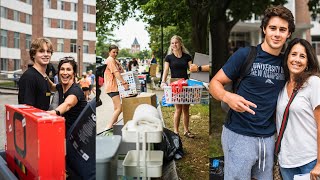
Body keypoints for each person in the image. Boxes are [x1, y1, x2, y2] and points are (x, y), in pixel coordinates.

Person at [209, 5, 295, 179]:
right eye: (272, 28)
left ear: (289, 34)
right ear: (264, 29)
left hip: (268, 138)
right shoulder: (245, 55)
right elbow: (214, 83)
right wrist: (227, 96)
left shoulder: (288, 64)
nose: (277, 34)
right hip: (239, 134)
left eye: (282, 29)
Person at [275, 38, 320, 180]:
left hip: (309, 161)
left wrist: (319, 164)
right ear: (287, 57)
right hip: (286, 162)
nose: (297, 60)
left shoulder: (313, 83)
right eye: (294, 54)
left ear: (308, 62)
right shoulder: (282, 86)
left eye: (302, 56)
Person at [161, 35, 194, 138]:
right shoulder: (169, 57)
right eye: (172, 43)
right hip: (175, 84)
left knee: (186, 109)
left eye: (176, 42)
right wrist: (163, 81)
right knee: (178, 108)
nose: (174, 45)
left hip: (185, 83)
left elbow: (192, 69)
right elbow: (166, 70)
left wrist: (196, 80)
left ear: (180, 44)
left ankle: (186, 131)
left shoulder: (187, 56)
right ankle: (176, 132)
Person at [47, 57, 87, 133]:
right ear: (58, 72)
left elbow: (67, 104)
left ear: (74, 73)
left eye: (68, 69)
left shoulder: (75, 91)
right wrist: (45, 76)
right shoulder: (60, 87)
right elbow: (52, 87)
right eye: (62, 69)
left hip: (76, 137)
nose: (65, 73)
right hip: (65, 133)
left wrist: (53, 113)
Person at [18, 37, 53, 110]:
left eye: (48, 51)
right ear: (33, 54)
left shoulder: (44, 76)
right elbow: (27, 109)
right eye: (41, 51)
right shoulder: (29, 77)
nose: (46, 54)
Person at [105, 45, 129, 130]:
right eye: (113, 52)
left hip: (113, 87)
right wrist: (124, 83)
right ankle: (108, 127)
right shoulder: (110, 60)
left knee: (116, 108)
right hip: (112, 87)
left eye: (116, 52)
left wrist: (118, 64)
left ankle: (113, 126)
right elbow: (116, 73)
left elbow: (122, 71)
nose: (115, 54)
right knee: (120, 108)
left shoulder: (114, 60)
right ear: (109, 52)